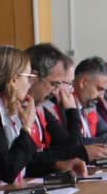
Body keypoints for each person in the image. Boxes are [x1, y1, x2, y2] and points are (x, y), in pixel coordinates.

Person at [23, 44, 92, 178]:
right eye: (54, 84)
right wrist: (72, 111)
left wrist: (72, 111)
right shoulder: (18, 109)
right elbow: (26, 160)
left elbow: (70, 147)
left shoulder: (41, 109)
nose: (55, 91)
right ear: (34, 78)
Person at [0, 45, 39, 186]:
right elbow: (8, 170)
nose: (30, 85)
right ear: (14, 80)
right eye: (29, 77)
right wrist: (26, 128)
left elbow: (27, 161)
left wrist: (62, 163)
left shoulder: (8, 107)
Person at [73, 57, 107, 146]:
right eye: (99, 89)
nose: (101, 96)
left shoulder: (90, 106)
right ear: (83, 82)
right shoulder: (65, 106)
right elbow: (75, 144)